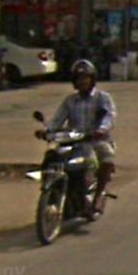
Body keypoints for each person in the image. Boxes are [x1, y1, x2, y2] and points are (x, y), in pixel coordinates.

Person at [35, 59, 116, 215]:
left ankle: (98, 196)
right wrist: (47, 131)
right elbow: (58, 120)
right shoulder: (70, 101)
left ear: (92, 79)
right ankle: (54, 193)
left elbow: (109, 117)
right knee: (51, 157)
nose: (82, 81)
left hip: (96, 140)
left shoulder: (102, 98)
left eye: (86, 78)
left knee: (106, 158)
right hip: (73, 141)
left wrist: (101, 130)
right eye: (79, 78)